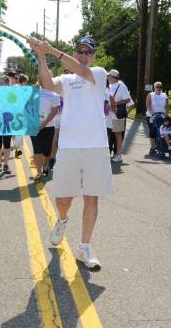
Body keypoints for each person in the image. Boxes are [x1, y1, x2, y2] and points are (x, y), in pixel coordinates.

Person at [28, 35, 113, 270]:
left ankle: (84, 247)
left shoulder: (98, 73)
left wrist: (52, 49)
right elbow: (46, 84)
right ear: (75, 53)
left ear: (93, 56)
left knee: (91, 197)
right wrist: (41, 54)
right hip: (69, 146)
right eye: (80, 52)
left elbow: (82, 71)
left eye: (88, 52)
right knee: (64, 200)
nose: (83, 56)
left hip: (95, 146)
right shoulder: (66, 79)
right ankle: (62, 220)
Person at [31, 85, 60, 182]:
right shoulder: (32, 92)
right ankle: (39, 173)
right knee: (37, 150)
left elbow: (54, 111)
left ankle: (45, 165)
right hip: (34, 126)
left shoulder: (53, 94)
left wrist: (44, 124)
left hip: (48, 127)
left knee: (47, 151)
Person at [107, 69, 131, 163]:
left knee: (118, 134)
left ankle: (119, 155)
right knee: (108, 134)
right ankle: (111, 154)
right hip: (108, 114)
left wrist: (115, 103)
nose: (107, 77)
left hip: (117, 114)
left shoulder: (122, 86)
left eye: (109, 76)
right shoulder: (108, 86)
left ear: (113, 77)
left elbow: (127, 100)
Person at [0, 76, 12, 174]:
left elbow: (15, 105)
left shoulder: (12, 93)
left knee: (7, 144)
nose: (0, 84)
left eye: (2, 83)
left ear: (7, 83)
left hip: (8, 121)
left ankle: (6, 164)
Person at [146, 82, 169, 155]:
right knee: (153, 131)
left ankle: (162, 146)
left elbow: (167, 106)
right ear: (154, 87)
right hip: (152, 116)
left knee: (162, 131)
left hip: (162, 116)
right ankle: (152, 148)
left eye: (160, 87)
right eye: (157, 87)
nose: (159, 88)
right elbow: (148, 105)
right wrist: (152, 113)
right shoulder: (150, 95)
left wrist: (166, 115)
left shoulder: (164, 95)